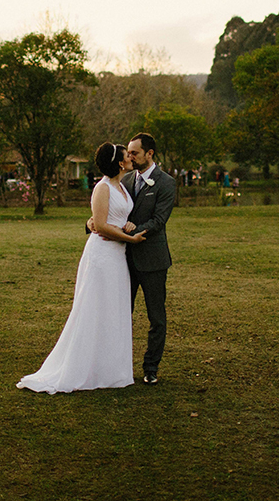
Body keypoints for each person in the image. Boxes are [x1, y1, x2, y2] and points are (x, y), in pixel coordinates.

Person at [17, 142, 146, 394]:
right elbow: (99, 224)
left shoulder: (121, 186)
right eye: (126, 156)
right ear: (119, 162)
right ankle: (84, 367)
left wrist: (128, 225)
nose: (130, 158)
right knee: (94, 308)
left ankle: (110, 369)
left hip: (117, 257)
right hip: (102, 255)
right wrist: (130, 238)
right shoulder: (102, 187)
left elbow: (115, 218)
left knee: (113, 309)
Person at [89, 132, 176, 385]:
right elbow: (107, 212)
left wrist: (132, 231)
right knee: (119, 314)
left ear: (150, 154)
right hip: (121, 260)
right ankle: (116, 364)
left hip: (152, 259)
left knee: (156, 317)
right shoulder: (123, 180)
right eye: (128, 152)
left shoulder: (166, 183)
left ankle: (151, 368)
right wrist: (91, 223)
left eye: (135, 153)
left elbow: (159, 221)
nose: (130, 156)